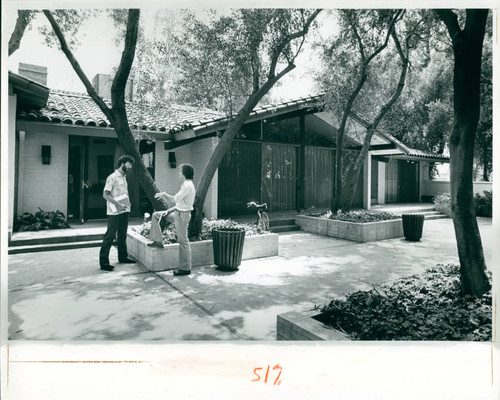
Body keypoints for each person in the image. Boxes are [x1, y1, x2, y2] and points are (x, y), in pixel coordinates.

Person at [148, 164, 195, 276]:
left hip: (182, 216)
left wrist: (164, 194)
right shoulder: (185, 185)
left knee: (183, 241)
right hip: (177, 213)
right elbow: (179, 204)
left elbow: (175, 199)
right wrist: (168, 211)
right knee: (156, 215)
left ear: (185, 173)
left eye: (180, 171)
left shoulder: (188, 185)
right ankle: (158, 241)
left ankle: (185, 268)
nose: (178, 172)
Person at [99, 154, 136, 271]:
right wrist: (118, 205)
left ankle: (123, 257)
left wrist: (126, 205)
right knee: (110, 236)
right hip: (114, 212)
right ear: (123, 163)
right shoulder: (112, 177)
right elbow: (105, 194)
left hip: (124, 210)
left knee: (122, 235)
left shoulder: (124, 177)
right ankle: (104, 263)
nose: (130, 167)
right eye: (129, 164)